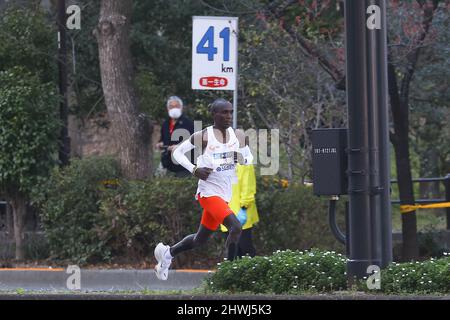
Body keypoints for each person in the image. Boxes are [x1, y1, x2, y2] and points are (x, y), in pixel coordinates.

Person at [153, 98, 254, 280]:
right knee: (236, 227)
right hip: (208, 193)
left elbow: (249, 159)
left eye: (230, 112)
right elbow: (177, 152)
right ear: (214, 114)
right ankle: (228, 274)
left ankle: (167, 253)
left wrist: (241, 158)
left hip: (224, 194)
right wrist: (194, 169)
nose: (228, 116)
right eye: (224, 112)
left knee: (200, 239)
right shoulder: (204, 136)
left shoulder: (239, 135)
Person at [220, 163, 259, 258]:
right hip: (226, 214)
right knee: (232, 251)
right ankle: (234, 271)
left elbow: (248, 188)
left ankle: (254, 271)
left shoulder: (245, 163)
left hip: (241, 214)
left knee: (245, 249)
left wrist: (244, 207)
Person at [155, 96, 194, 177]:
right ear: (168, 109)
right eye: (171, 107)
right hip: (168, 163)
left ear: (181, 108)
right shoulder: (165, 124)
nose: (174, 108)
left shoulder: (188, 123)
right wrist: (160, 144)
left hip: (183, 165)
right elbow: (163, 139)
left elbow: (194, 142)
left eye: (177, 106)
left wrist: (179, 147)